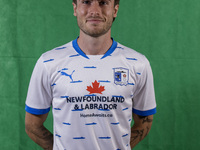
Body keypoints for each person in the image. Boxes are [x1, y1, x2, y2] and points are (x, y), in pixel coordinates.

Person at [25, 0, 157, 150]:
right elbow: (32, 125)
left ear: (115, 10)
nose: (94, 10)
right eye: (86, 2)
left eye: (103, 3)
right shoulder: (48, 62)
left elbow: (144, 122)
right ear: (75, 8)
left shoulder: (138, 63)